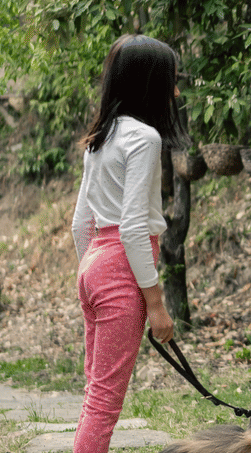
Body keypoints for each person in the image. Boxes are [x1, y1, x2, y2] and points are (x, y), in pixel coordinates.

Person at [69, 34, 186, 453]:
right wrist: (155, 303)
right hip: (120, 268)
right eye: (171, 80)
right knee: (104, 403)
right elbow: (135, 229)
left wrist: (92, 273)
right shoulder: (144, 139)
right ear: (148, 83)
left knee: (94, 393)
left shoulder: (101, 137)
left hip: (94, 264)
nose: (176, 91)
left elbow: (81, 224)